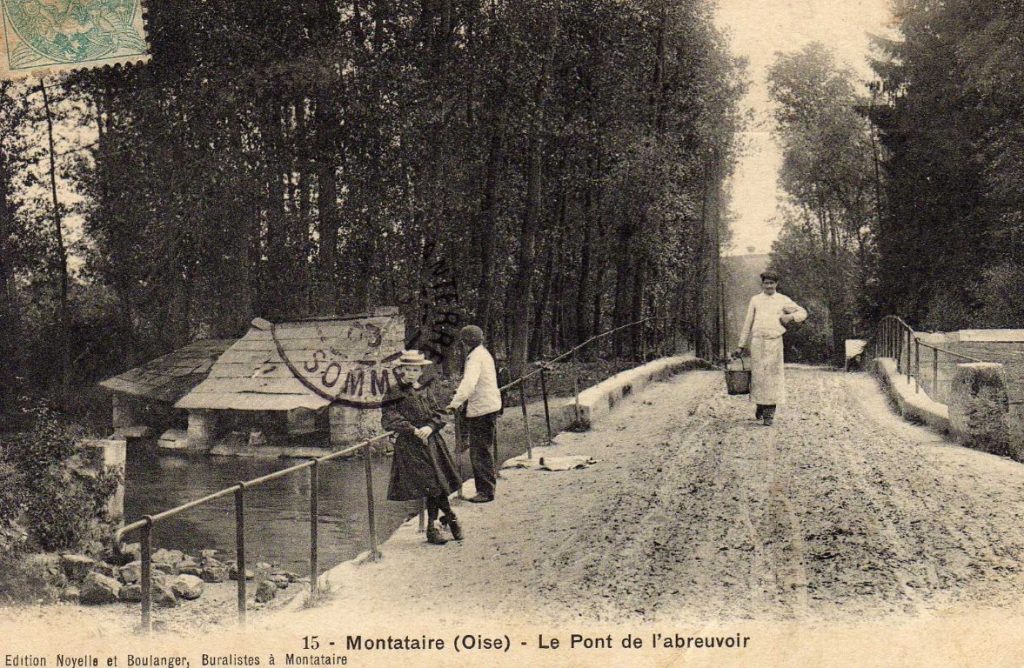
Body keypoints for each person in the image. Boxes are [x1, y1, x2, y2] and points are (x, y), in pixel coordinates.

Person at [382, 350, 463, 545]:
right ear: (401, 370)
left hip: (432, 442)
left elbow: (439, 412)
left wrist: (430, 426)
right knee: (432, 485)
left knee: (438, 483)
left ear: (420, 371)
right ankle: (445, 520)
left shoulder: (425, 389)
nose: (411, 373)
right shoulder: (394, 391)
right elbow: (389, 418)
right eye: (407, 369)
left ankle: (436, 525)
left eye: (415, 369)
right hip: (411, 446)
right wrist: (411, 429)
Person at [735, 271, 807, 426]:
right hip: (757, 342)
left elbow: (803, 312)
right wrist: (741, 345)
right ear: (762, 284)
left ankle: (770, 413)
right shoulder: (755, 300)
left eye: (772, 283)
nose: (769, 286)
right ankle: (761, 405)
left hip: (774, 342)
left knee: (773, 377)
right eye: (766, 283)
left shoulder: (782, 300)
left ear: (776, 284)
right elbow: (748, 322)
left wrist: (790, 317)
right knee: (759, 377)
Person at [446, 325, 502, 503]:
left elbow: (469, 383)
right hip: (488, 405)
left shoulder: (475, 358)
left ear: (465, 343)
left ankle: (486, 491)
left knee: (479, 451)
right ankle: (487, 486)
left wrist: (455, 403)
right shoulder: (483, 353)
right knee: (483, 448)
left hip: (482, 409)